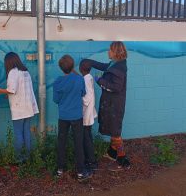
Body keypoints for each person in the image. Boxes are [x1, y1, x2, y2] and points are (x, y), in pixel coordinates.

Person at [86, 41, 130, 171]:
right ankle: (112, 153)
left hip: (114, 105)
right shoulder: (116, 64)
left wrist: (99, 80)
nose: (108, 52)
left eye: (110, 50)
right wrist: (91, 62)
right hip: (112, 103)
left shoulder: (119, 68)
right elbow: (106, 66)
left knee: (115, 132)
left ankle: (123, 159)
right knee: (113, 128)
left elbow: (116, 87)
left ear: (115, 52)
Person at [53, 55, 92, 182]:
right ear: (73, 66)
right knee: (78, 143)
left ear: (60, 68)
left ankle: (60, 169)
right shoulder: (79, 79)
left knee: (61, 142)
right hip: (77, 116)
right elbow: (83, 93)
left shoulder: (58, 81)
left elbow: (56, 100)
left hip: (63, 116)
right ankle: (80, 172)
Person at [0, 52, 39, 162]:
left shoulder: (13, 72)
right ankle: (28, 157)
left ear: (8, 62)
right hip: (28, 108)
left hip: (19, 109)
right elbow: (20, 89)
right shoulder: (25, 72)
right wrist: (8, 94)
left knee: (18, 134)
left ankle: (19, 158)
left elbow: (12, 90)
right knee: (26, 133)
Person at [79, 59, 98, 171]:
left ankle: (91, 162)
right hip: (89, 113)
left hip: (87, 113)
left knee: (86, 138)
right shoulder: (88, 77)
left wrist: (78, 96)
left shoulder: (85, 80)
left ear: (80, 68)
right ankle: (90, 159)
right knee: (87, 137)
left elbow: (87, 98)